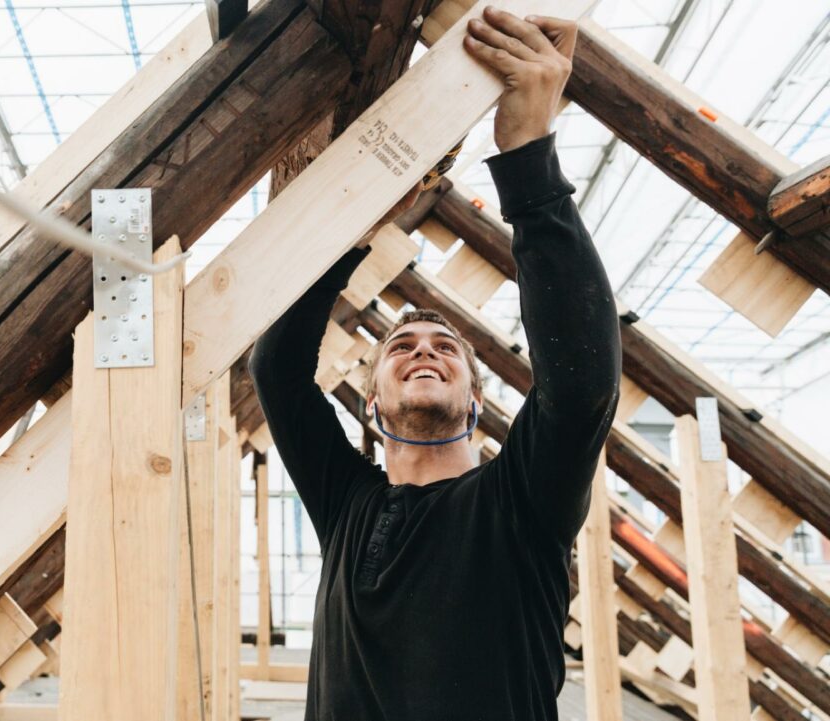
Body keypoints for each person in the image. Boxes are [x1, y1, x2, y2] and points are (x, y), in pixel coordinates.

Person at [248, 6, 622, 720]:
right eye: (402, 347)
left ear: (477, 402)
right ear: (371, 400)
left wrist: (527, 154)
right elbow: (277, 369)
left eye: (447, 348)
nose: (424, 348)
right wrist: (354, 231)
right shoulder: (347, 504)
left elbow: (581, 387)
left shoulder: (522, 504)